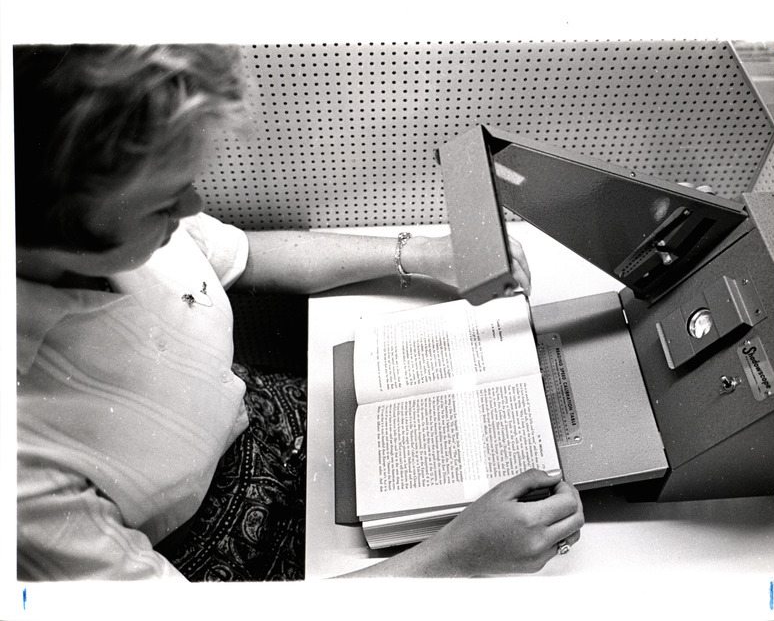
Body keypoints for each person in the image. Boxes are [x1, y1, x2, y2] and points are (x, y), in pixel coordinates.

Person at [14, 44, 584, 581]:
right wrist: (457, 559)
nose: (192, 206)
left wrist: (421, 253)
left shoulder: (118, 211)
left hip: (278, 426)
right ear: (51, 219)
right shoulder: (22, 479)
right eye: (165, 202)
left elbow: (246, 254)